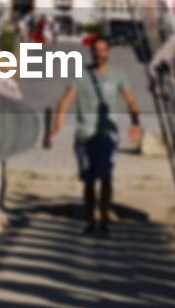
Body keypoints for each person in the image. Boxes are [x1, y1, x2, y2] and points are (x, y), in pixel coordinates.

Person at [48, 35, 142, 234]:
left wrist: (135, 124)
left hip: (108, 134)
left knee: (106, 177)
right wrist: (58, 124)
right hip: (85, 134)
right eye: (96, 50)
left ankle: (105, 221)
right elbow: (65, 101)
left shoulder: (118, 74)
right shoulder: (80, 76)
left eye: (103, 50)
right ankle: (91, 221)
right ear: (92, 53)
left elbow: (131, 101)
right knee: (89, 180)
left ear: (109, 52)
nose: (99, 54)